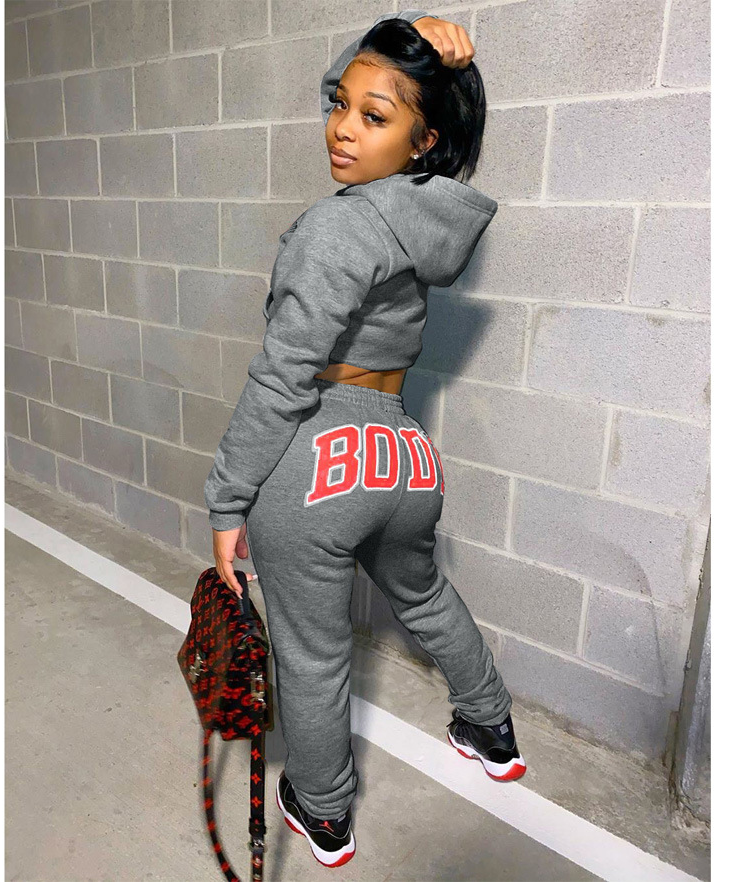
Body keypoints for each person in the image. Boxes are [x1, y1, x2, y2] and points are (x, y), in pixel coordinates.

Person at [203, 10, 526, 869]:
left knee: (312, 656)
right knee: (424, 595)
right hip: (403, 455)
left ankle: (323, 810)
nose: (342, 127)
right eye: (340, 104)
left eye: (373, 116)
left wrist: (228, 498)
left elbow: (282, 377)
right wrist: (414, 45)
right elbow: (372, 91)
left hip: (318, 457)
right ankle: (490, 726)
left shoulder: (337, 226)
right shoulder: (422, 217)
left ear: (423, 140)